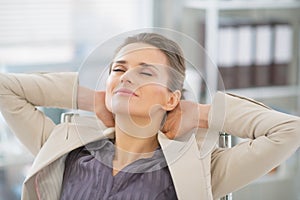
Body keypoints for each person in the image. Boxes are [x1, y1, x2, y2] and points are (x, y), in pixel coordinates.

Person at [0, 32, 299, 200]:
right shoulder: (65, 148)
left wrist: (204, 114)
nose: (127, 77)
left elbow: (288, 131)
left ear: (172, 99)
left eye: (145, 72)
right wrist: (91, 98)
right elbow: (5, 88)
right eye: (118, 69)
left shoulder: (200, 167)